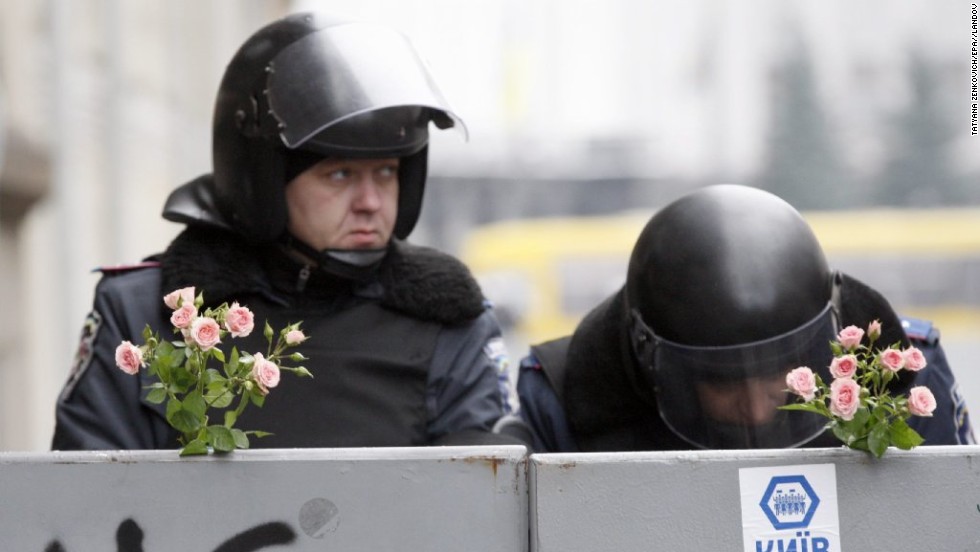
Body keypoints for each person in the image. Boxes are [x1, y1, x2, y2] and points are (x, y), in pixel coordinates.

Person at [52, 12, 529, 450]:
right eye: (340, 175)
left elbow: (476, 508)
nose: (371, 202)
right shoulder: (144, 313)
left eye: (386, 172)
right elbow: (85, 504)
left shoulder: (447, 321)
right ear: (265, 182)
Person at [517, 184, 975, 452]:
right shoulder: (564, 399)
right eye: (721, 382)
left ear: (833, 338)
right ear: (647, 357)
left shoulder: (903, 372)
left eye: (781, 370)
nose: (757, 408)